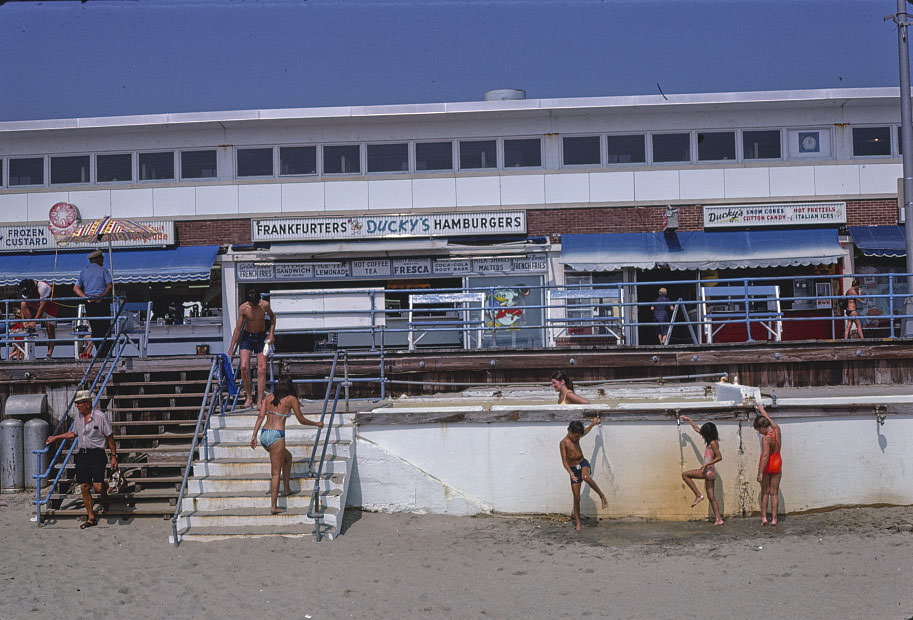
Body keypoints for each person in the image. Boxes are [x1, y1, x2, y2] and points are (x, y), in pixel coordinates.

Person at [249, 377, 324, 514]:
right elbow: (301, 420)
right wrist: (316, 424)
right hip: (277, 436)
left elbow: (260, 417)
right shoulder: (290, 399)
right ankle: (273, 506)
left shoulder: (268, 398)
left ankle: (287, 489)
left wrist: (254, 436)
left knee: (288, 457)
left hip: (265, 434)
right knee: (276, 473)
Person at [45, 390, 118, 528]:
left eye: (79, 403)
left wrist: (114, 456)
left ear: (87, 404)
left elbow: (110, 437)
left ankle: (104, 494)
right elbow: (74, 433)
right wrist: (56, 437)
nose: (76, 406)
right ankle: (91, 517)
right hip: (82, 455)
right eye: (76, 403)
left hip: (97, 454)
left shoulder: (100, 417)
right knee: (84, 486)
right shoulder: (78, 417)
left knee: (98, 486)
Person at [229, 289, 277, 409]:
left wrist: (271, 334)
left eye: (256, 305)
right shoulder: (243, 308)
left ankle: (259, 401)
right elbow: (238, 329)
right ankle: (249, 398)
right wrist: (231, 349)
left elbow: (273, 318)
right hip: (247, 337)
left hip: (261, 337)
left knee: (262, 369)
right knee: (244, 367)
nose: (254, 307)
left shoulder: (264, 305)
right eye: (252, 305)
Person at [559, 418, 609, 530]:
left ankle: (602, 496)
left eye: (578, 436)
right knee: (576, 498)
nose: (577, 438)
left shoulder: (577, 436)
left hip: (583, 463)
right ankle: (578, 523)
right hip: (573, 469)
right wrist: (571, 473)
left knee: (585, 477)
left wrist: (593, 423)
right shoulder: (563, 443)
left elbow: (585, 431)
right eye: (576, 436)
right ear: (569, 431)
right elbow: (564, 461)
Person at [678, 414, 724, 525]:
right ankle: (719, 519)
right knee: (711, 497)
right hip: (710, 472)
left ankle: (698, 495)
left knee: (685, 475)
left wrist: (705, 465)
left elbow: (719, 457)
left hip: (708, 471)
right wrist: (688, 419)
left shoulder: (713, 443)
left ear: (708, 433)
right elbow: (697, 429)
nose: (702, 434)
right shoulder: (710, 441)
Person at [73, 249, 113, 358]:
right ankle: (105, 353)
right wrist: (102, 296)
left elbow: (76, 288)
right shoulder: (103, 270)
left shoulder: (83, 271)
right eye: (102, 258)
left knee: (95, 328)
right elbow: (110, 285)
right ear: (97, 259)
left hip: (90, 303)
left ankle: (99, 351)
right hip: (101, 302)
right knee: (105, 327)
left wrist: (86, 298)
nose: (103, 260)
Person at [753, 404, 782, 526]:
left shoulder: (766, 439)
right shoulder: (777, 430)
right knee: (774, 493)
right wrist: (762, 410)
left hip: (767, 466)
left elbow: (765, 456)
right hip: (777, 464)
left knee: (765, 492)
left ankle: (764, 518)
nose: (759, 432)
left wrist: (760, 472)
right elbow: (769, 421)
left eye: (759, 430)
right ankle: (774, 519)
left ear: (762, 427)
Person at [19, 278, 58, 358]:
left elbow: (42, 306)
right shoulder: (25, 291)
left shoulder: (43, 287)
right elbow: (22, 306)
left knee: (50, 329)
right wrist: (24, 321)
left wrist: (35, 321)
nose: (27, 295)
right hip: (36, 304)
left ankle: (49, 353)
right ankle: (30, 326)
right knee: (23, 304)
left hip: (49, 307)